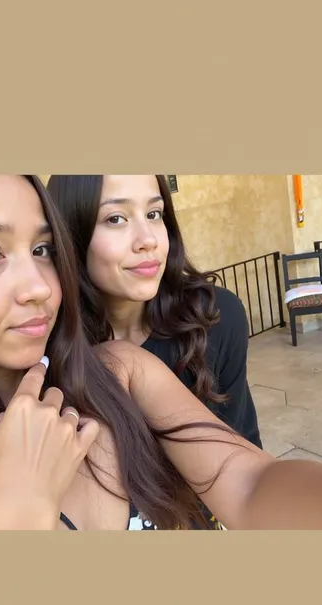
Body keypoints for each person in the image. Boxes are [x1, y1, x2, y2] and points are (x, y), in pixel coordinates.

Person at [0, 174, 322, 532]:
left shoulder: (121, 369)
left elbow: (248, 484)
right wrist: (15, 515)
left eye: (43, 249)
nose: (39, 287)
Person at [46, 175, 261, 449]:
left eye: (153, 214)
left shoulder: (216, 316)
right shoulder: (47, 347)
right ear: (70, 232)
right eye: (116, 218)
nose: (148, 239)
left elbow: (245, 448)